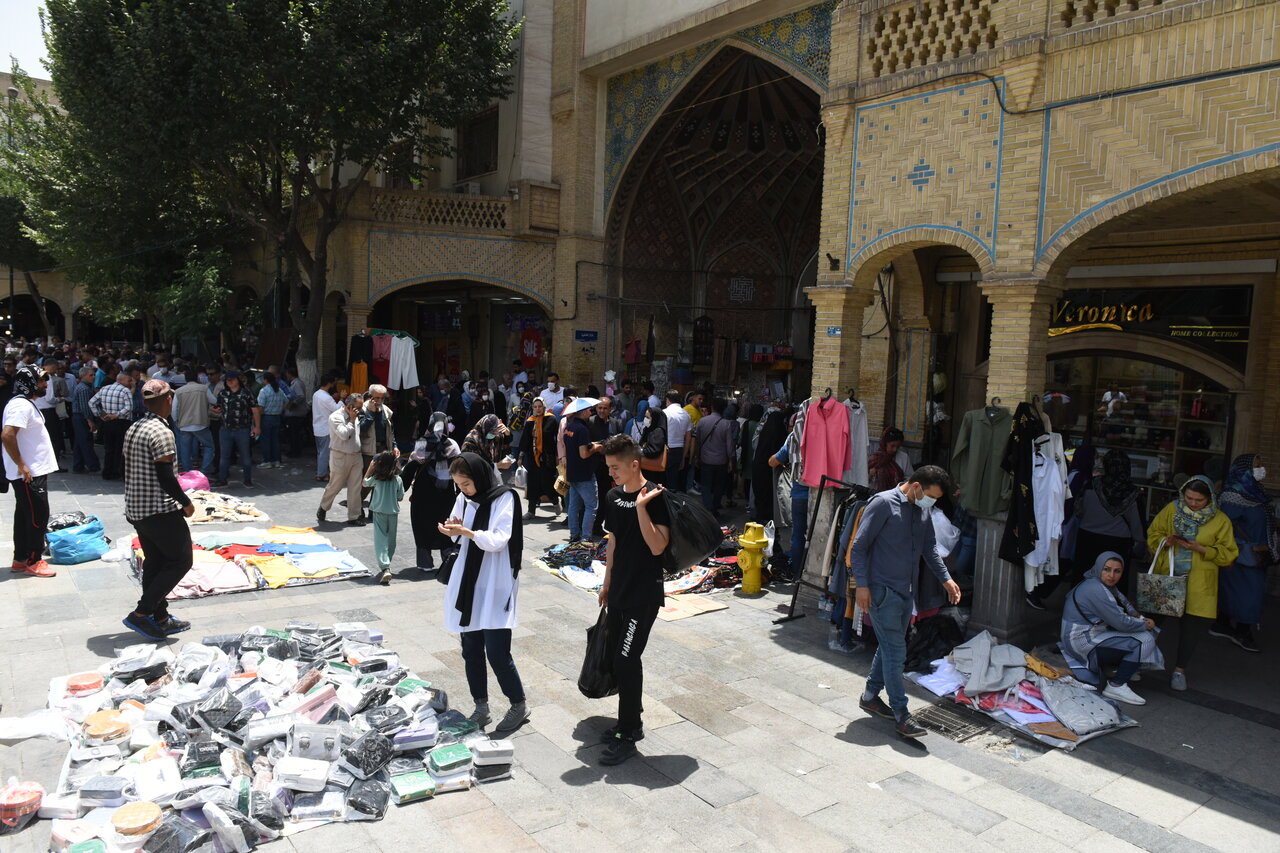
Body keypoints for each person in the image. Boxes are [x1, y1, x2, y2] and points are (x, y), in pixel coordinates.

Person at [850, 466, 962, 738]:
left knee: (890, 646)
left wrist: (945, 579)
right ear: (916, 487)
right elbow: (859, 547)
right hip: (881, 591)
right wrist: (862, 586)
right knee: (896, 652)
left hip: (905, 592)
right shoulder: (883, 504)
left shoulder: (921, 510)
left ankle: (869, 695)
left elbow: (930, 549)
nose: (932, 503)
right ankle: (902, 715)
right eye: (931, 496)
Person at [439, 452, 530, 736]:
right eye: (459, 485)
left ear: (478, 476)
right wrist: (452, 529)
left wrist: (467, 531)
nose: (463, 490)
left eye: (466, 484)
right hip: (470, 579)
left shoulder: (505, 497)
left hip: (495, 579)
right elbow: (458, 532)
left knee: (498, 651)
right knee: (471, 649)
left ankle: (518, 704)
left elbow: (499, 540)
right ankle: (481, 707)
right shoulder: (465, 498)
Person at [596, 434, 672, 765]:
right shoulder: (613, 496)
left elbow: (658, 546)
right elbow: (613, 542)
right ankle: (632, 719)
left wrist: (641, 507)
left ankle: (628, 732)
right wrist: (607, 582)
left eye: (615, 467)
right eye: (608, 467)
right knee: (619, 658)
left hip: (644, 593)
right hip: (620, 589)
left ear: (634, 465)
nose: (611, 473)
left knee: (627, 660)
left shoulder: (655, 496)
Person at [1146, 476, 1238, 691]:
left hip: (1199, 584)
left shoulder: (1221, 520)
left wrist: (1202, 549)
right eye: (1189, 498)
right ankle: (1136, 662)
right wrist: (1165, 540)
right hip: (1167, 578)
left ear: (1210, 499)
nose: (1193, 503)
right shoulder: (1172, 509)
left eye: (1199, 500)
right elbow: (1153, 532)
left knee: (1191, 630)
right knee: (1153, 624)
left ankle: (1179, 671)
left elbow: (1229, 554)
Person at [120, 380, 197, 639]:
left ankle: (160, 616)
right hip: (159, 510)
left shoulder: (136, 426)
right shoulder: (161, 432)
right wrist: (185, 503)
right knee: (181, 560)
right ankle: (141, 614)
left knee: (156, 562)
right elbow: (166, 476)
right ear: (167, 400)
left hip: (137, 508)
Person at [1027, 449, 1146, 610]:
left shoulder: (1091, 485)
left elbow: (1079, 510)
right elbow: (1137, 524)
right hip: (1117, 545)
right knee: (1113, 583)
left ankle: (1077, 612)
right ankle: (1110, 617)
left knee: (1083, 578)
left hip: (1087, 540)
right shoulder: (1133, 493)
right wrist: (1140, 542)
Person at [1060, 552, 1162, 706]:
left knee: (1136, 634)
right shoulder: (1096, 589)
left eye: (1117, 571)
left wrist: (1134, 614)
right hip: (1080, 641)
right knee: (1145, 639)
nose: (1111, 575)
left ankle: (1122, 668)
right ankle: (1117, 685)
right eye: (1106, 569)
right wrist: (1146, 624)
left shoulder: (1096, 582)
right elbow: (1121, 623)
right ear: (1099, 567)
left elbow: (1121, 599)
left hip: (1083, 635)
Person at [1215, 454, 1275, 653]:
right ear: (1244, 470)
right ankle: (1243, 631)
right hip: (1242, 555)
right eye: (1257, 466)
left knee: (1236, 591)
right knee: (1251, 594)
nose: (1261, 469)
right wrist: (1237, 549)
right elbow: (1224, 526)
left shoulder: (1255, 491)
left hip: (1254, 554)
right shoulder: (1233, 496)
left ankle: (1223, 624)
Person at [2, 365, 59, 577]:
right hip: (29, 473)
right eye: (42, 380)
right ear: (30, 382)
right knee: (38, 515)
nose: (45, 384)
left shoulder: (25, 403)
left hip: (31, 471)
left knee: (26, 514)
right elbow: (7, 434)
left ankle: (20, 558)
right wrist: (22, 464)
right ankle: (34, 561)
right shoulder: (21, 406)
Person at [403, 411, 460, 570]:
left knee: (422, 525)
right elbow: (459, 469)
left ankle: (425, 563)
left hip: (424, 492)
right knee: (445, 523)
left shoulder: (421, 442)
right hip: (446, 493)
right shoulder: (452, 444)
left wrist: (401, 488)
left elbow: (412, 465)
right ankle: (448, 557)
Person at [318, 394, 367, 527]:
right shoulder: (335, 417)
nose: (360, 410)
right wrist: (351, 420)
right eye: (358, 407)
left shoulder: (356, 416)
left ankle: (354, 516)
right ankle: (323, 506)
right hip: (340, 456)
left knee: (355, 488)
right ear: (350, 406)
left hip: (356, 456)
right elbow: (344, 435)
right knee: (335, 485)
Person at [212, 371, 261, 487]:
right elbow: (218, 407)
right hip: (225, 429)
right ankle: (222, 479)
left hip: (242, 430)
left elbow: (255, 410)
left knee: (245, 456)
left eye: (232, 379)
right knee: (224, 456)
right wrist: (215, 410)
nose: (230, 382)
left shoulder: (247, 393)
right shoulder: (223, 394)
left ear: (238, 380)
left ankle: (247, 479)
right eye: (228, 380)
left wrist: (257, 427)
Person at [364, 449, 405, 585]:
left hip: (379, 512)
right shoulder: (397, 479)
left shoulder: (376, 479)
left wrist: (370, 468)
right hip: (393, 513)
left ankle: (385, 567)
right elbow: (400, 497)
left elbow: (365, 483)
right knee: (391, 540)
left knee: (380, 540)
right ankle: (387, 564)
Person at [88, 367, 136, 480]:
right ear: (121, 380)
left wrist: (99, 414)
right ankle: (117, 472)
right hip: (121, 422)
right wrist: (117, 415)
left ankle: (107, 472)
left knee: (109, 448)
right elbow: (129, 407)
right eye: (129, 380)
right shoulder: (125, 391)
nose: (131, 383)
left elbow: (92, 402)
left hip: (107, 422)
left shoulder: (104, 389)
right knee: (120, 448)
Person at [563, 403, 600, 542]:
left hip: (573, 472)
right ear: (583, 412)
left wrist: (590, 444)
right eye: (590, 410)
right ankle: (586, 537)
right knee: (591, 506)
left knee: (573, 506)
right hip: (584, 474)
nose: (591, 412)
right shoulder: (582, 429)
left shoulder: (569, 427)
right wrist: (595, 448)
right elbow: (584, 454)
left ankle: (574, 535)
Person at [518, 397, 560, 519]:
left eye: (540, 406)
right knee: (532, 484)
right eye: (535, 407)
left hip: (547, 457)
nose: (538, 409)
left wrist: (558, 455)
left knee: (547, 483)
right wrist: (520, 457)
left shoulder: (551, 419)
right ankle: (531, 511)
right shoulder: (530, 421)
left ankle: (555, 501)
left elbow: (557, 439)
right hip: (532, 458)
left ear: (544, 407)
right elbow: (525, 440)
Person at [692, 397, 735, 514]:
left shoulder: (702, 421)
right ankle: (714, 507)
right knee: (719, 486)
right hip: (721, 460)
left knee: (706, 485)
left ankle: (708, 507)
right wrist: (730, 460)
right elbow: (730, 445)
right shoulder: (726, 424)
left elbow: (698, 442)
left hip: (706, 459)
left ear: (712, 407)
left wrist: (697, 457)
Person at [588, 397, 622, 537]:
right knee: (590, 499)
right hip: (592, 465)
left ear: (610, 409)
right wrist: (599, 445)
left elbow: (620, 441)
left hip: (609, 467)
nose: (602, 411)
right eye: (599, 408)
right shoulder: (590, 422)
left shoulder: (615, 423)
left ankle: (597, 526)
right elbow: (586, 443)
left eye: (605, 408)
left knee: (604, 497)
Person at [172, 369, 217, 475]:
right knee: (209, 446)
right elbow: (214, 401)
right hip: (201, 423)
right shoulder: (204, 388)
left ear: (185, 379)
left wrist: (176, 421)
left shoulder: (179, 391)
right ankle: (204, 471)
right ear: (197, 378)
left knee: (185, 449)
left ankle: (187, 472)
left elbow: (174, 410)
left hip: (184, 424)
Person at [68, 367, 101, 474]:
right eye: (91, 375)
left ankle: (78, 465)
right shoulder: (84, 389)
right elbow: (85, 407)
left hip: (80, 417)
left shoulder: (86, 387)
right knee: (86, 441)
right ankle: (93, 465)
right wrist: (90, 421)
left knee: (80, 442)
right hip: (81, 417)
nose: (93, 377)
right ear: (84, 376)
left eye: (93, 375)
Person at [311, 372, 341, 482]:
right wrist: (342, 399)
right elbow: (336, 408)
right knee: (324, 452)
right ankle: (321, 473)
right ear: (330, 383)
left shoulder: (317, 394)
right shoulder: (326, 398)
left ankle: (321, 472)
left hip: (318, 427)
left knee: (321, 452)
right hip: (325, 428)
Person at [256, 369, 288, 468]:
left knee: (266, 440)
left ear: (265, 380)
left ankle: (267, 461)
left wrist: (258, 419)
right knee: (275, 439)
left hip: (266, 417)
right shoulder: (279, 390)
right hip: (277, 417)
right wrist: (280, 409)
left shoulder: (264, 391)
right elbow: (286, 401)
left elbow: (260, 407)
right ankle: (277, 460)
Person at [867, 426, 913, 492]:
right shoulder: (874, 459)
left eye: (898, 446)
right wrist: (870, 475)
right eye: (892, 446)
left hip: (897, 496)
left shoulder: (903, 457)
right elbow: (864, 482)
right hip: (876, 495)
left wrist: (900, 489)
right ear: (885, 443)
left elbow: (910, 478)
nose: (895, 449)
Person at [662, 391, 691, 490]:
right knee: (673, 480)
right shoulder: (686, 415)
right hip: (679, 450)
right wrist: (683, 456)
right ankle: (672, 502)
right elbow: (688, 438)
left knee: (663, 479)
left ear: (668, 400)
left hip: (665, 450)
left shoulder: (665, 413)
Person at [738, 404, 763, 506]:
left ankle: (748, 500)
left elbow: (740, 440)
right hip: (756, 455)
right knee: (755, 479)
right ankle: (753, 502)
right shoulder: (761, 425)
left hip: (746, 454)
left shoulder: (746, 424)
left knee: (747, 479)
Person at [283, 366, 309, 460]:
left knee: (294, 434)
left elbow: (300, 396)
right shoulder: (294, 383)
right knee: (293, 434)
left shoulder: (297, 383)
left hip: (296, 414)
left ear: (290, 374)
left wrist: (292, 403)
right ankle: (294, 450)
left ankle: (295, 451)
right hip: (294, 413)